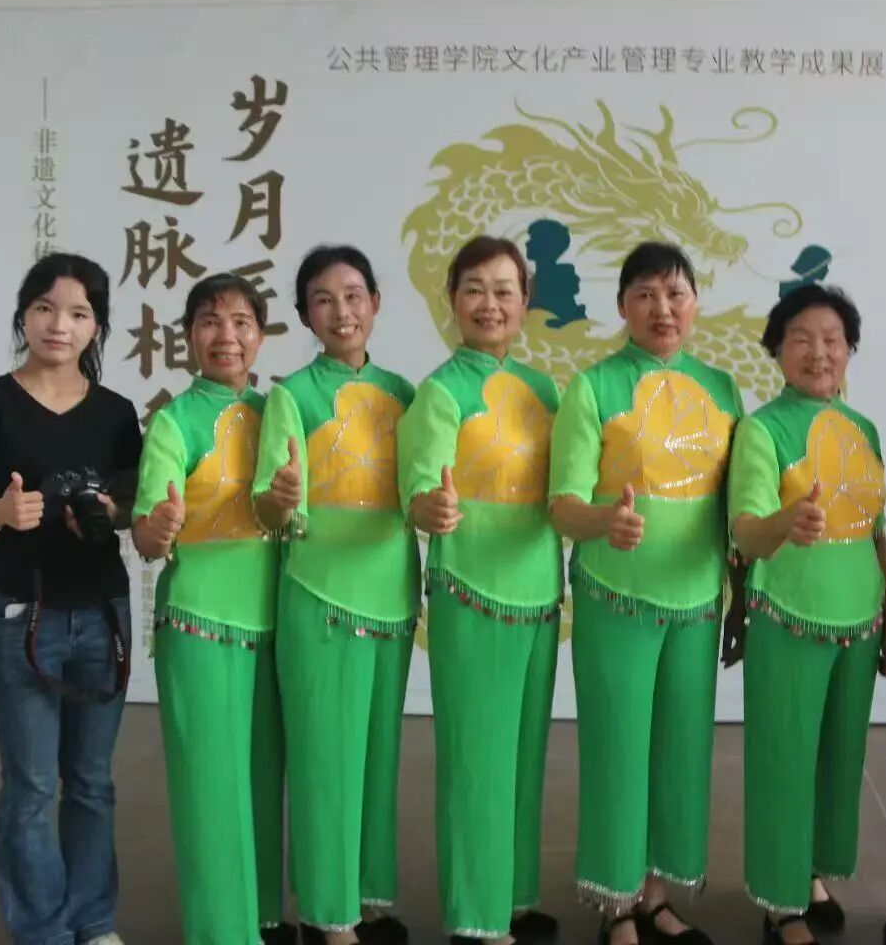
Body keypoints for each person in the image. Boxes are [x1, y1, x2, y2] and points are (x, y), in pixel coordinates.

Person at [548, 241, 743, 945]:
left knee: (680, 750)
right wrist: (605, 521)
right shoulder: (593, 388)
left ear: (695, 302)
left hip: (696, 600)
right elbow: (562, 505)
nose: (663, 309)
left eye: (676, 294)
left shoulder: (722, 389)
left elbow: (737, 505)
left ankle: (657, 895)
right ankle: (617, 903)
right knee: (618, 749)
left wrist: (741, 592)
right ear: (622, 307)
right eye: (646, 295)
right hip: (616, 595)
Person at [0, 253, 142, 945]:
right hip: (19, 611)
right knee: (31, 785)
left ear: (96, 327)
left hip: (103, 611)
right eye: (45, 309)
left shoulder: (117, 414)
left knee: (91, 781)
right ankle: (41, 931)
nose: (60, 325)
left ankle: (93, 921)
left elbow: (131, 509)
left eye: (79, 313)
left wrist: (108, 514)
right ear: (24, 315)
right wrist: (0, 514)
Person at [727, 284, 886, 945]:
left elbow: (875, 533)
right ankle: (779, 904)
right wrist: (787, 521)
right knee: (785, 758)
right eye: (800, 339)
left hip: (858, 621)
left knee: (837, 759)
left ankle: (807, 874)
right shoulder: (761, 430)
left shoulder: (864, 429)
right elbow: (745, 531)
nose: (818, 352)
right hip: (789, 617)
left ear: (850, 350)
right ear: (776, 350)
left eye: (832, 340)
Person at [396, 237, 564, 945]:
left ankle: (514, 896)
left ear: (525, 301)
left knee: (523, 754)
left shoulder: (546, 391)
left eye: (504, 290)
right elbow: (418, 484)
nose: (489, 304)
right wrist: (430, 508)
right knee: (476, 759)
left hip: (538, 590)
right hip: (471, 590)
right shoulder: (440, 392)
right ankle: (475, 915)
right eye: (474, 289)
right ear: (451, 301)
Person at [252, 246, 418, 945]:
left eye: (353, 295)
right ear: (304, 316)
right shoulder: (291, 397)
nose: (341, 311)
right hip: (319, 595)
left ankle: (364, 894)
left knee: (377, 756)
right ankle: (328, 913)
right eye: (323, 299)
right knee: (326, 759)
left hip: (393, 593)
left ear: (375, 303)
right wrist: (283, 496)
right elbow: (268, 507)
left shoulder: (405, 394)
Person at [131, 274, 293, 945]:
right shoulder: (175, 422)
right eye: (209, 322)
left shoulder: (278, 412)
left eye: (241, 322)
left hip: (276, 625)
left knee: (261, 783)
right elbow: (146, 534)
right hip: (199, 624)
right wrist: (161, 526)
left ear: (260, 334)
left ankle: (261, 917)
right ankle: (220, 933)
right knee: (210, 791)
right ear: (189, 337)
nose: (226, 336)